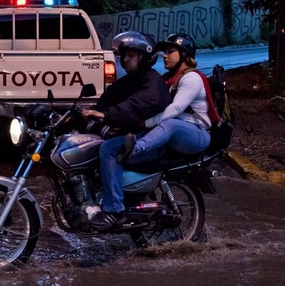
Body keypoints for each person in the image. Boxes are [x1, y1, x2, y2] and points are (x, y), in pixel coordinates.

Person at [90, 32, 215, 231]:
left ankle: (134, 154)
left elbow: (174, 111)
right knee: (108, 146)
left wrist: (146, 125)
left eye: (170, 51)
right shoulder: (169, 79)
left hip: (196, 133)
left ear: (184, 55)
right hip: (174, 133)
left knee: (171, 124)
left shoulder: (191, 79)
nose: (165, 55)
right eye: (164, 51)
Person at [81, 31, 170, 220]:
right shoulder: (129, 81)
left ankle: (114, 209)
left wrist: (106, 115)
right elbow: (107, 100)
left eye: (131, 55)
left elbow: (137, 105)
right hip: (136, 135)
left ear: (144, 57)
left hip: (151, 140)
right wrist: (84, 113)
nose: (125, 60)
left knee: (108, 149)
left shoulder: (153, 82)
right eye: (124, 56)